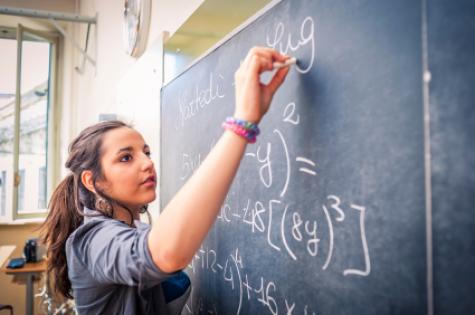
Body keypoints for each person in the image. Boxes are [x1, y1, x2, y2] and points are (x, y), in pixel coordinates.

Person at [40, 47, 291, 314]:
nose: (147, 162)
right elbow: (164, 254)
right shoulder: (93, 239)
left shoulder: (134, 227)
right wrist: (243, 121)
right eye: (126, 158)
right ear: (93, 181)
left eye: (146, 152)